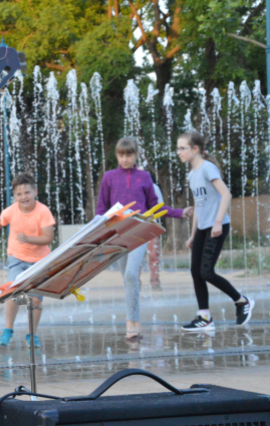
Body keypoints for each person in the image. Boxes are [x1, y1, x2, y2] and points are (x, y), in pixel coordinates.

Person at [96, 137, 192, 341]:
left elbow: (156, 207)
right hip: (116, 233)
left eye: (129, 155)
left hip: (138, 232)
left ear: (136, 155)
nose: (124, 159)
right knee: (127, 279)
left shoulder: (144, 177)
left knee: (131, 275)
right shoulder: (109, 177)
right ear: (117, 156)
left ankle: (133, 324)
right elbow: (101, 210)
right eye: (121, 155)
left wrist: (180, 212)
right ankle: (132, 321)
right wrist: (99, 234)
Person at [177, 131, 254, 331]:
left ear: (195, 149)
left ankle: (241, 301)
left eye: (182, 148)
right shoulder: (192, 174)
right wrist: (193, 235)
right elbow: (198, 206)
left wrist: (218, 222)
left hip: (217, 226)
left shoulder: (207, 168)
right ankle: (205, 317)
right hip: (203, 228)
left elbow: (226, 194)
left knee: (206, 272)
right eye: (178, 148)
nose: (179, 152)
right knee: (195, 271)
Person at [0, 172, 55, 348]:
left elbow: (48, 237)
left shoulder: (43, 211)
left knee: (36, 300)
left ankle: (31, 335)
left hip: (40, 261)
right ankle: (8, 329)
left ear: (35, 191)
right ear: (14, 196)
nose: (23, 197)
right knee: (13, 291)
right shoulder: (11, 211)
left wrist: (28, 239)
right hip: (17, 258)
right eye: (19, 194)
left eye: (27, 192)